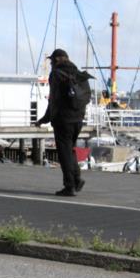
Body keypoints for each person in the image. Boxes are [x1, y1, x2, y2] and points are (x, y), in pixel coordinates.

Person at [34, 48, 88, 197]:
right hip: (78, 119)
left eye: (52, 60)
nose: (51, 63)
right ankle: (76, 180)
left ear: (58, 59)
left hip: (63, 120)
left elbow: (54, 101)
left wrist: (44, 119)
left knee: (64, 154)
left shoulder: (57, 74)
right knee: (70, 150)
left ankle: (69, 186)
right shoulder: (77, 73)